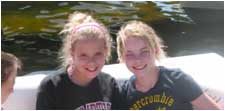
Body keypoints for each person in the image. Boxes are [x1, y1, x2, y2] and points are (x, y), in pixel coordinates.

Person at [116, 20, 221, 110]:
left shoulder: (178, 80)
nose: (138, 60)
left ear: (155, 50)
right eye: (130, 54)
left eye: (144, 51)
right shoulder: (123, 94)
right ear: (122, 57)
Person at [36, 12, 124, 110]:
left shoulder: (110, 84)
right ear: (72, 53)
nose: (91, 62)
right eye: (83, 55)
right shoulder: (51, 86)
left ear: (106, 51)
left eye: (97, 54)